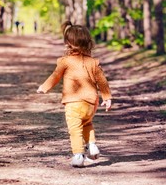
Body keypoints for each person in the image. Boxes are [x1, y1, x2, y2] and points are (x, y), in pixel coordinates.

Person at [37, 20, 112, 167]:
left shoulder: (65, 61)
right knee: (87, 123)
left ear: (67, 44)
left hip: (73, 103)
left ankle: (78, 155)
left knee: (75, 129)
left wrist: (44, 87)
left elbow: (55, 76)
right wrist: (107, 97)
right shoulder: (93, 62)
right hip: (91, 103)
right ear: (88, 42)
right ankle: (92, 145)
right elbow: (102, 81)